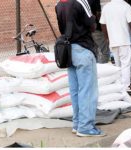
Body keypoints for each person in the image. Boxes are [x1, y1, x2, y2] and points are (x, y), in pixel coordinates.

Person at [55, 0, 106, 137]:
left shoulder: (58, 4)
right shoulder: (80, 1)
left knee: (75, 90)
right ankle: (85, 127)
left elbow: (62, 28)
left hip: (69, 51)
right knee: (88, 91)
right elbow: (92, 26)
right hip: (83, 49)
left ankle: (77, 124)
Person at [100, 0, 131, 95]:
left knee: (118, 66)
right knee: (126, 65)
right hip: (124, 41)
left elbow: (103, 24)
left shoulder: (106, 7)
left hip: (113, 42)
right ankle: (127, 88)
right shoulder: (126, 6)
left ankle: (120, 87)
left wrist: (107, 38)